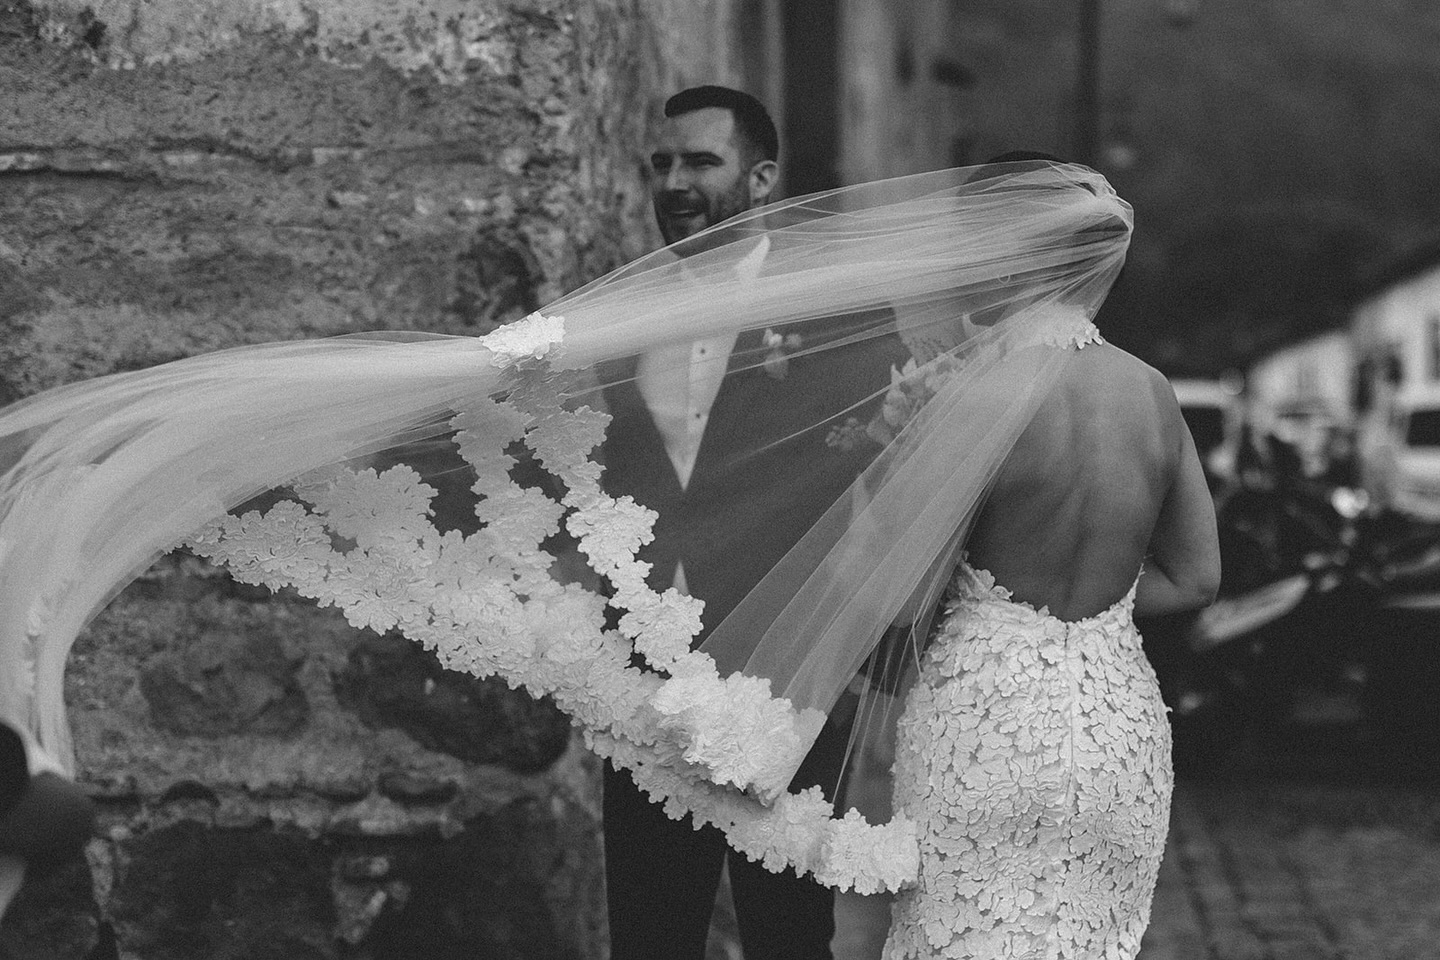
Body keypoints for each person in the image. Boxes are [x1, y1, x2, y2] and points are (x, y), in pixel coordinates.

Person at [597, 85, 903, 960]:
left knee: (788, 934)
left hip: (788, 671)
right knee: (649, 933)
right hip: (642, 675)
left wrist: (856, 643)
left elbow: (891, 474)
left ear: (761, 177)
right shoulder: (621, 309)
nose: (673, 183)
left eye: (701, 161)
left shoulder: (837, 312)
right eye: (661, 163)